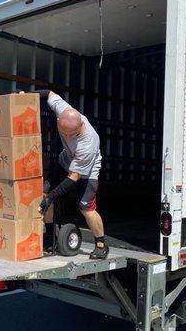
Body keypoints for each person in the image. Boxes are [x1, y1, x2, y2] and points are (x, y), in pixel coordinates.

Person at [36, 90, 108, 260]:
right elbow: (49, 93)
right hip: (65, 160)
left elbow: (74, 177)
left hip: (86, 172)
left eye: (71, 135)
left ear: (80, 126)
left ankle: (101, 244)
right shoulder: (63, 110)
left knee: (85, 207)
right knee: (44, 190)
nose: (67, 137)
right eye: (64, 133)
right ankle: (48, 235)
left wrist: (52, 197)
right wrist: (26, 95)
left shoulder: (89, 142)